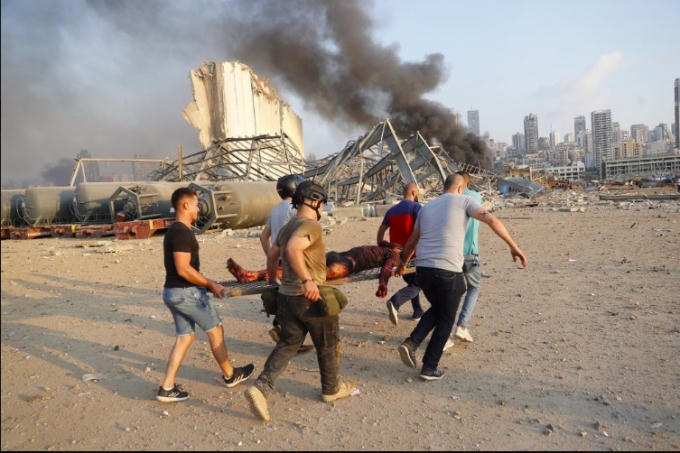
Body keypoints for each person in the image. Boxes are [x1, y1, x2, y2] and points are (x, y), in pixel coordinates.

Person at [395, 174, 527, 381]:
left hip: (423, 269)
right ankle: (429, 367)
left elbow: (412, 240)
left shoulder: (426, 208)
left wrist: (403, 263)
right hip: (447, 269)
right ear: (461, 187)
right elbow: (491, 219)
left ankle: (412, 343)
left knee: (440, 307)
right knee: (447, 318)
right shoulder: (464, 200)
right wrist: (514, 246)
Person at [244, 181, 356, 421]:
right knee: (327, 343)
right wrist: (308, 281)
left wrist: (274, 281)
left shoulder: (288, 226)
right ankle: (331, 389)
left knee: (288, 343)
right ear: (313, 201)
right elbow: (293, 249)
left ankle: (261, 388)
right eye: (322, 203)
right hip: (309, 297)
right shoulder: (310, 225)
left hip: (287, 297)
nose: (323, 208)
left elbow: (272, 256)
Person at [157, 187, 254, 402]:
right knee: (216, 329)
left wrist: (208, 284)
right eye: (196, 204)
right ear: (185, 205)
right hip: (186, 294)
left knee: (185, 337)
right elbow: (183, 269)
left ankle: (167, 387)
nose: (199, 209)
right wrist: (210, 284)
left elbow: (184, 269)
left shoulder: (175, 230)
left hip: (172, 293)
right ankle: (230, 374)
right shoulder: (181, 232)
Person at [227, 241, 402, 297]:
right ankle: (258, 275)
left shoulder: (378, 247)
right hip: (348, 263)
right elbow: (387, 268)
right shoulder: (392, 254)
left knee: (302, 265)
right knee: (311, 273)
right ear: (396, 249)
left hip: (335, 255)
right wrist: (383, 284)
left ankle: (251, 274)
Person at [258, 174, 312, 351]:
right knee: (300, 299)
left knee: (286, 296)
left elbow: (263, 237)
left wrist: (271, 256)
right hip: (294, 259)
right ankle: (289, 339)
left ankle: (283, 330)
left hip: (279, 259)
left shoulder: (275, 210)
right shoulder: (295, 208)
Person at [444, 171, 482, 350]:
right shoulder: (475, 197)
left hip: (451, 254)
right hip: (470, 254)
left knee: (451, 294)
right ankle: (462, 326)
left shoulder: (448, 200)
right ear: (467, 183)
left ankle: (444, 336)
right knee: (473, 288)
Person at [376, 182, 424, 324]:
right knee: (418, 284)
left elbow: (381, 230)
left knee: (412, 282)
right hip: (413, 254)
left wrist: (382, 245)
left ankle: (417, 311)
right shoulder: (416, 208)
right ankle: (395, 301)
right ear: (414, 193)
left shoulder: (392, 210)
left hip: (396, 256)